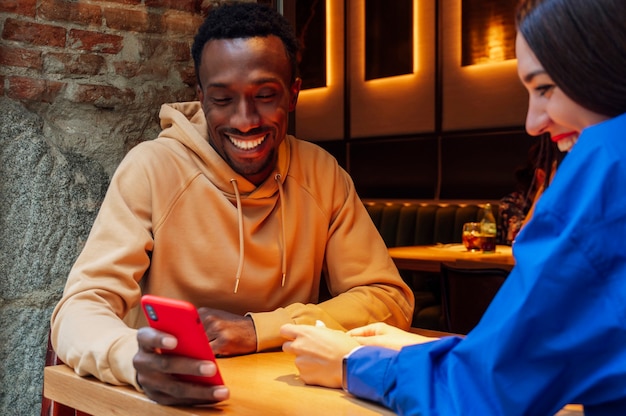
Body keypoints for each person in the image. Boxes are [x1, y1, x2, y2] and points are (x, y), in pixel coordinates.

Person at [49, 2, 414, 406]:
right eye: (223, 99)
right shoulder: (152, 168)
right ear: (201, 98)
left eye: (264, 95)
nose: (244, 120)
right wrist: (133, 358)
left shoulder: (320, 174)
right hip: (172, 403)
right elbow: (79, 309)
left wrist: (259, 329)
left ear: (293, 94)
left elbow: (386, 298)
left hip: (286, 399)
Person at [281, 0, 626, 414]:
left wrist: (349, 362)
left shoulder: (607, 164)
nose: (534, 122)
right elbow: (559, 358)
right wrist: (447, 351)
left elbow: (484, 394)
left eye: (545, 88)